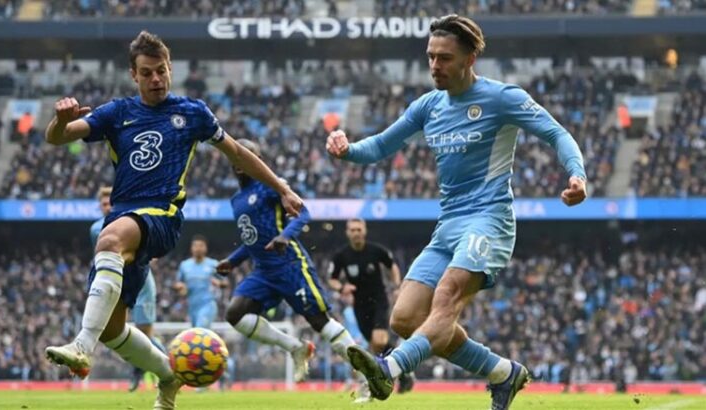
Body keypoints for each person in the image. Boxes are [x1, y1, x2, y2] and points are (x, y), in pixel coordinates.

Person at [326, 14, 587, 410]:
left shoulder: (502, 98)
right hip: (448, 225)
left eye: (445, 58)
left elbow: (557, 133)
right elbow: (379, 146)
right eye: (431, 57)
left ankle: (389, 368)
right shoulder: (428, 106)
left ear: (470, 58)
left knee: (446, 297)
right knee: (404, 318)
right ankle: (502, 372)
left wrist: (577, 175)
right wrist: (347, 150)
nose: (435, 66)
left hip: (489, 219)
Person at [43, 31, 302, 410]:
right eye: (147, 73)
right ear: (134, 75)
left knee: (109, 239)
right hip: (125, 215)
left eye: (162, 71)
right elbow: (59, 137)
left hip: (162, 215)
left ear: (170, 69)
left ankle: (82, 345)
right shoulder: (117, 113)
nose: (156, 79)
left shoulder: (192, 113)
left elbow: (237, 152)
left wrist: (281, 188)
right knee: (113, 330)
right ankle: (168, 375)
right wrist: (59, 120)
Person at [216, 139, 369, 401]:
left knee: (319, 322)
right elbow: (252, 239)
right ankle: (295, 347)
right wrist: (233, 261)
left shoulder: (271, 185)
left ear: (258, 160)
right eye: (238, 156)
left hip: (289, 264)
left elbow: (304, 213)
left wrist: (285, 236)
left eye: (250, 155)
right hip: (263, 272)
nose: (242, 160)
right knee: (235, 314)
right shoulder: (236, 200)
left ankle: (366, 377)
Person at [91, 186, 165, 392]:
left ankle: (166, 369)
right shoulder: (96, 229)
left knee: (145, 336)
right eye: (103, 203)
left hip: (142, 285)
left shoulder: (133, 223)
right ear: (100, 206)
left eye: (110, 202)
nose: (107, 206)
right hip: (118, 284)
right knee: (118, 334)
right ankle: (153, 368)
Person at [328, 218, 415, 394]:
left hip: (379, 301)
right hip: (359, 306)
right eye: (353, 230)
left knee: (378, 341)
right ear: (347, 233)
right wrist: (342, 288)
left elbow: (392, 266)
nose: (356, 233)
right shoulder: (342, 256)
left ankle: (382, 379)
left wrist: (397, 286)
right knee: (377, 345)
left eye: (359, 229)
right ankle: (405, 372)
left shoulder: (376, 251)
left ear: (364, 231)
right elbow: (332, 279)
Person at [173, 235, 227, 328]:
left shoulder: (213, 264)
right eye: (195, 245)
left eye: (201, 245)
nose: (198, 248)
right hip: (192, 306)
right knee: (197, 333)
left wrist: (219, 283)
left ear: (206, 248)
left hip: (208, 304)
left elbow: (226, 282)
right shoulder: (184, 265)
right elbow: (178, 283)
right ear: (191, 248)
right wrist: (180, 287)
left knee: (200, 328)